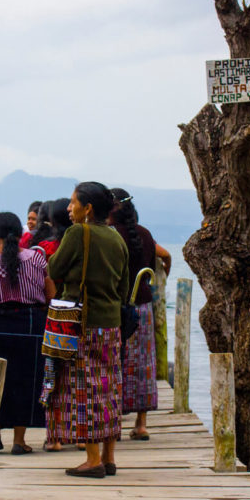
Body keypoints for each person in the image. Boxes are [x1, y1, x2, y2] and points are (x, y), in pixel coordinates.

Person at [43, 182, 129, 478]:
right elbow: (124, 285)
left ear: (88, 208)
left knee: (84, 386)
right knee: (109, 386)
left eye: (73, 202)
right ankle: (108, 456)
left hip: (81, 321)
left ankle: (92, 460)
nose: (70, 208)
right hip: (112, 324)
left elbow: (53, 270)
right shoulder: (117, 238)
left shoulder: (78, 232)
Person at [0, 212, 56, 454]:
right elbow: (51, 295)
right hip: (29, 324)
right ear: (20, 233)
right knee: (26, 381)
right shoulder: (37, 259)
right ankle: (19, 441)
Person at [108, 188, 172, 440]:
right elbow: (165, 256)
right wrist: (160, 278)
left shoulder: (111, 236)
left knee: (114, 363)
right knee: (143, 363)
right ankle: (141, 423)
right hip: (143, 306)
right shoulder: (144, 234)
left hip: (117, 307)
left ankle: (113, 422)